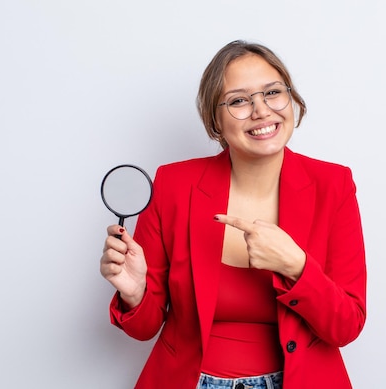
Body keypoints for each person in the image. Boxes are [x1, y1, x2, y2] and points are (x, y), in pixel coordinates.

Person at [100, 40, 367, 389]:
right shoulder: (174, 184)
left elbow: (346, 326)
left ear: (292, 99)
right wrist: (135, 293)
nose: (261, 111)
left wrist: (296, 266)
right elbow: (145, 327)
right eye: (239, 100)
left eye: (272, 92)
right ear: (215, 120)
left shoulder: (334, 185)